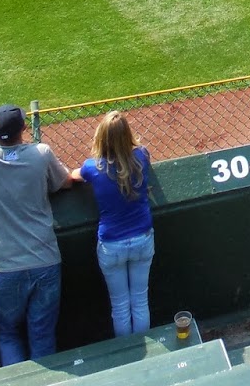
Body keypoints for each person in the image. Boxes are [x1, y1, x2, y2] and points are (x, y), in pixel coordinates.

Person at [0, 103, 74, 366]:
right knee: (42, 335)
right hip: (45, 262)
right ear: (24, 129)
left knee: (8, 334)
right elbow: (65, 182)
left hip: (4, 269)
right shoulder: (40, 154)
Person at [71, 112, 154, 337]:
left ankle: (127, 353)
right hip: (142, 239)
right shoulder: (142, 156)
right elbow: (139, 155)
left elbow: (72, 176)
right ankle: (140, 345)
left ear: (101, 138)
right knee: (140, 300)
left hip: (111, 245)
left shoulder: (92, 167)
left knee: (120, 306)